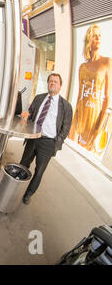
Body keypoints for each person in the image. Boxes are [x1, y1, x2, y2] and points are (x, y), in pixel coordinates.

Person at [20, 73, 73, 205]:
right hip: (33, 137)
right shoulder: (39, 98)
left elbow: (65, 128)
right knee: (23, 164)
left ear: (60, 85)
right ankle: (16, 187)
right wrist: (26, 116)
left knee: (39, 171)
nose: (52, 83)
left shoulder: (66, 106)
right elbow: (30, 114)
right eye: (50, 81)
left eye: (55, 82)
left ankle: (28, 194)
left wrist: (56, 142)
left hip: (48, 143)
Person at [68, 24, 111, 152]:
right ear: (88, 40)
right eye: (94, 35)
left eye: (99, 35)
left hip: (94, 117)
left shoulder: (107, 62)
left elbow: (107, 97)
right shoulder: (82, 67)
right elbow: (79, 96)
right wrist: (74, 119)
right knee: (72, 149)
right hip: (80, 114)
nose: (98, 38)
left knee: (86, 153)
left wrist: (99, 128)